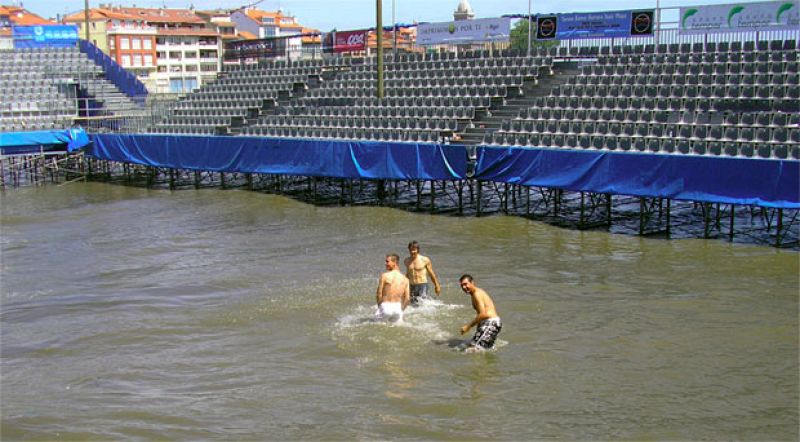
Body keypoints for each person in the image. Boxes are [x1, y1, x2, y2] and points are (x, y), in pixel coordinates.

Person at [458, 274, 502, 351]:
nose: (464, 287)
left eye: (465, 284)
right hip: (487, 323)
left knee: (473, 350)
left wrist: (468, 327)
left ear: (472, 283)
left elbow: (483, 314)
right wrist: (478, 328)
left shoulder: (476, 294)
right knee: (472, 345)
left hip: (491, 323)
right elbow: (480, 314)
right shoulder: (474, 294)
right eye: (462, 286)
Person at [404, 241, 441, 306]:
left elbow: (431, 274)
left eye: (414, 250)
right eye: (411, 250)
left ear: (418, 250)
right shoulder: (406, 261)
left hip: (422, 285)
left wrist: (437, 285)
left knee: (422, 304)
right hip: (411, 285)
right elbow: (408, 274)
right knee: (413, 305)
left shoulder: (425, 260)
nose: (412, 252)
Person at [375, 254, 410, 323]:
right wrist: (401, 310)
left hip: (386, 306)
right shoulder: (406, 279)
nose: (385, 263)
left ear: (395, 263)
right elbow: (407, 298)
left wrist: (380, 307)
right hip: (397, 308)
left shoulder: (384, 276)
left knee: (376, 327)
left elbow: (378, 294)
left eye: (387, 261)